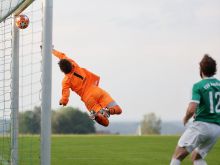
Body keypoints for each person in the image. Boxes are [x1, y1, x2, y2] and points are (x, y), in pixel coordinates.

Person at [170, 54, 220, 165]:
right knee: (196, 157)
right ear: (214, 70)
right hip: (216, 128)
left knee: (177, 156)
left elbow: (192, 108)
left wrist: (186, 118)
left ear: (201, 69)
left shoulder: (199, 86)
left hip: (202, 126)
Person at [51, 48, 122, 127]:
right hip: (96, 91)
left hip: (88, 99)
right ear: (70, 64)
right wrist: (51, 50)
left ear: (63, 71)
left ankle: (96, 116)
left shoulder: (66, 81)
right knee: (118, 110)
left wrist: (63, 102)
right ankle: (108, 111)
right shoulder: (74, 64)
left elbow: (65, 94)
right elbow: (62, 55)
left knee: (106, 123)